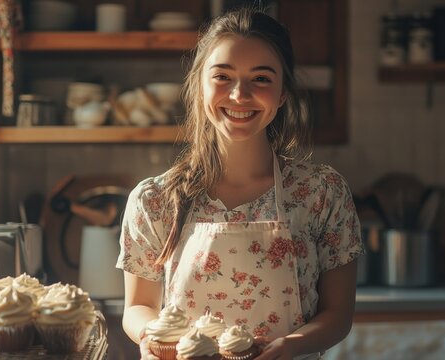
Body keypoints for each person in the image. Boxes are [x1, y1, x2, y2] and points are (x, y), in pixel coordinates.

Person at [117, 7, 364, 360]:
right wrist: (154, 339)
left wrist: (286, 347)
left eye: (261, 79)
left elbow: (338, 314)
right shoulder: (154, 199)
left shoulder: (322, 192)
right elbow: (138, 306)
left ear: (281, 94)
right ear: (200, 85)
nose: (239, 95)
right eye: (223, 77)